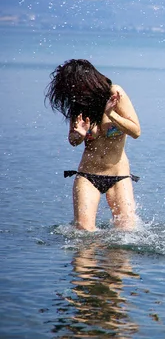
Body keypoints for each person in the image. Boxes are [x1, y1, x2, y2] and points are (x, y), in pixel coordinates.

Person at [45, 59, 141, 231]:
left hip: (119, 176)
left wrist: (111, 114)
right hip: (88, 175)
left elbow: (136, 131)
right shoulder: (80, 104)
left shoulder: (115, 94)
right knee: (83, 230)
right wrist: (79, 135)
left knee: (126, 231)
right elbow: (73, 141)